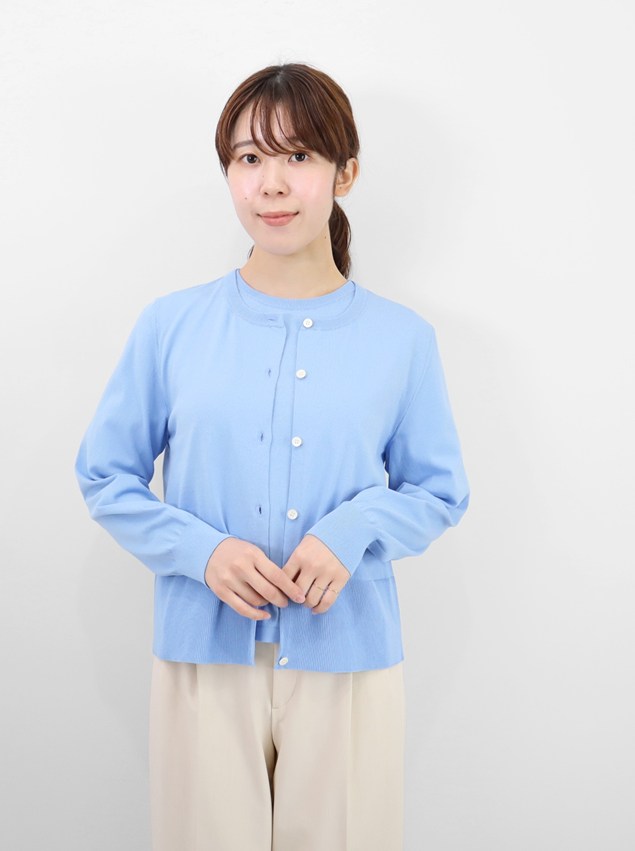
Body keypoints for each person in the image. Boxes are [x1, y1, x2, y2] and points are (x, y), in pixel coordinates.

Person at [75, 62, 470, 851]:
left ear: (344, 173)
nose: (272, 184)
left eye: (298, 156)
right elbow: (105, 475)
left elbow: (437, 490)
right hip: (201, 655)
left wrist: (352, 529)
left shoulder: (401, 339)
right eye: (249, 158)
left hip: (348, 658)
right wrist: (202, 551)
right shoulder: (171, 325)